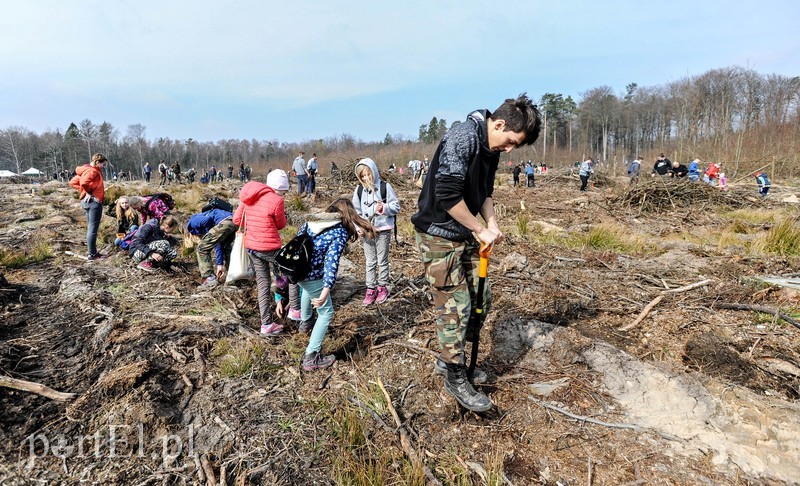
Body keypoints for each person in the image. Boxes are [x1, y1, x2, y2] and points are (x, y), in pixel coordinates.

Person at [411, 94, 541, 412]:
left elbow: (484, 192)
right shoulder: (462, 137)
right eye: (510, 141)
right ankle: (455, 375)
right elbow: (446, 193)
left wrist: (492, 224)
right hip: (437, 235)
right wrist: (478, 229)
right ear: (497, 124)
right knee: (455, 307)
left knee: (481, 300)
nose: (509, 150)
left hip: (464, 233)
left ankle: (452, 357)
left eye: (515, 146)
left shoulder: (490, 148)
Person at [296, 199, 376, 371]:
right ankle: (311, 356)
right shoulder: (338, 232)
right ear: (349, 215)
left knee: (306, 292)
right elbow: (331, 265)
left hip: (298, 271)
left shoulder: (311, 223)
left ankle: (305, 323)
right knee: (326, 313)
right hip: (313, 276)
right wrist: (326, 291)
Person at [233, 170, 289, 335]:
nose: (283, 194)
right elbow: (281, 225)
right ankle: (295, 309)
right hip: (269, 248)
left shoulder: (249, 197)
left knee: (263, 284)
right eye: (283, 191)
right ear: (278, 187)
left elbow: (237, 220)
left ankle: (266, 324)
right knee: (291, 273)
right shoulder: (276, 200)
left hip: (252, 247)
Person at [352, 158, 400, 305]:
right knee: (370, 261)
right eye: (363, 176)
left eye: (368, 174)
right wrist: (358, 227)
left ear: (374, 172)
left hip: (383, 230)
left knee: (382, 260)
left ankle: (382, 287)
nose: (366, 178)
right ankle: (370, 288)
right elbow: (356, 212)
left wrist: (384, 208)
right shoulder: (359, 190)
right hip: (367, 231)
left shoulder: (386, 187)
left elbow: (396, 206)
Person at [69, 153, 108, 260]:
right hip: (94, 202)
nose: (104, 167)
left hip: (86, 202)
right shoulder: (93, 171)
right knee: (92, 229)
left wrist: (84, 191)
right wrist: (88, 192)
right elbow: (84, 183)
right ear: (97, 162)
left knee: (91, 227)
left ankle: (93, 252)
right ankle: (92, 254)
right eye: (103, 165)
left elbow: (72, 182)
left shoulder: (85, 170)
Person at [187, 208, 237, 289]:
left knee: (202, 248)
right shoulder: (208, 214)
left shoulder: (192, 223)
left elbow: (207, 220)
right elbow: (219, 244)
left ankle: (210, 279)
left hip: (224, 222)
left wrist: (209, 232)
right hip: (234, 222)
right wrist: (219, 264)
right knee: (226, 249)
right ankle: (233, 279)